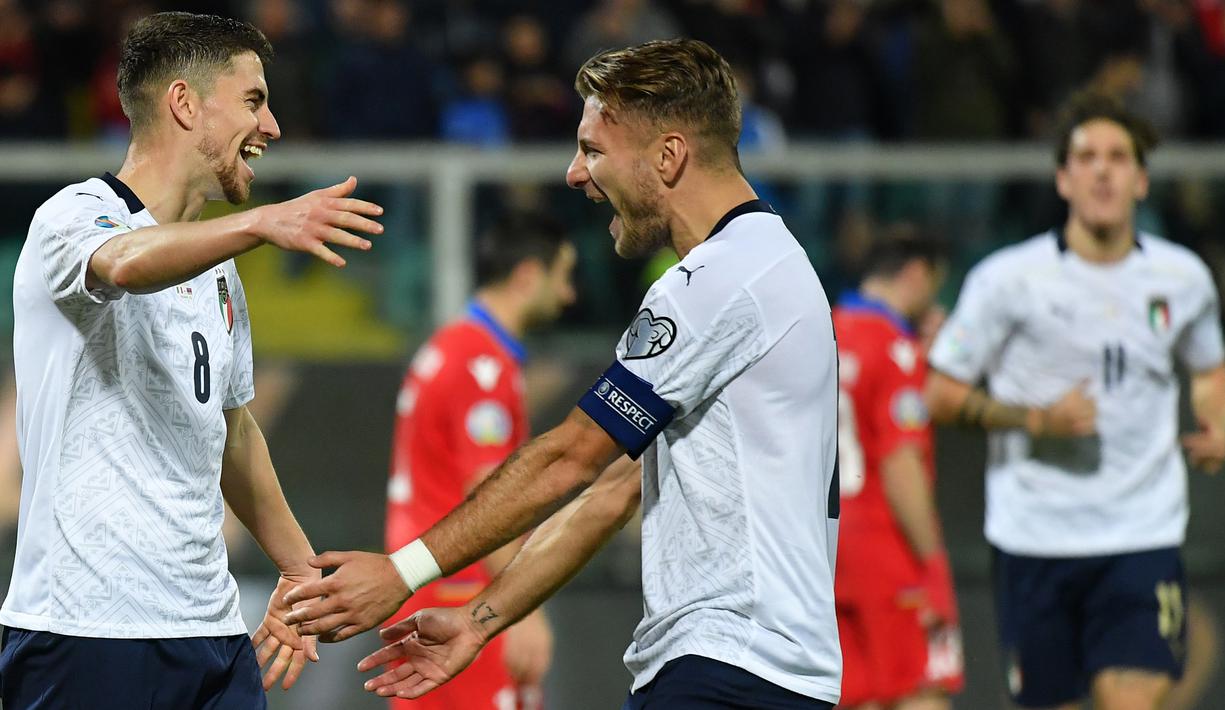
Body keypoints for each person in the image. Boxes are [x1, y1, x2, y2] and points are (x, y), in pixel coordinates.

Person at [284, 38, 842, 709]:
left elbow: (570, 457)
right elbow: (611, 489)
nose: (575, 174)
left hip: (727, 669)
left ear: (668, 156)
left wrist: (403, 571)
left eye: (593, 150)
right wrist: (481, 620)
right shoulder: (767, 266)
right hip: (761, 668)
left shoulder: (716, 282)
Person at [0, 12, 384, 709]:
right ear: (183, 103)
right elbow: (122, 263)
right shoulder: (72, 215)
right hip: (87, 631)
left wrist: (298, 570)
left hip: (211, 632)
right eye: (253, 101)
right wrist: (259, 223)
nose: (272, 128)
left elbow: (232, 430)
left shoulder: (217, 271)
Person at [924, 90, 1225, 710]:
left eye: (1118, 157)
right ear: (1064, 178)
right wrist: (1033, 419)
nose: (1102, 169)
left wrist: (1217, 424)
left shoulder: (1183, 278)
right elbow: (942, 392)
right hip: (1036, 538)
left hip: (1142, 533)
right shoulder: (1007, 281)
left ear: (1141, 180)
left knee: (1132, 698)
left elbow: (1209, 369)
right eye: (1086, 156)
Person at [383, 211, 575, 710]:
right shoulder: (479, 364)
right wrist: (521, 608)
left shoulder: (456, 347)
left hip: (431, 593)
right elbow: (491, 497)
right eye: (564, 276)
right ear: (528, 275)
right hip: (463, 599)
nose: (570, 294)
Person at [832, 235, 963, 710]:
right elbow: (900, 463)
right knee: (920, 689)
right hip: (886, 547)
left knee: (856, 695)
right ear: (916, 274)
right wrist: (930, 561)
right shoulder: (895, 349)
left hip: (821, 548)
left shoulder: (820, 333)